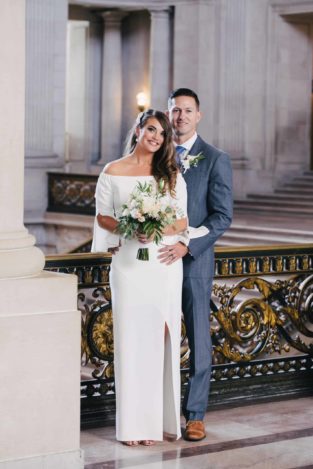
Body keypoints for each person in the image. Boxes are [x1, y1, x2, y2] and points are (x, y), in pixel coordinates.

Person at [91, 109, 188, 446]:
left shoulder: (170, 173)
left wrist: (158, 227)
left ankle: (155, 423)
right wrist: (130, 228)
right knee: (131, 341)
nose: (156, 137)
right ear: (138, 130)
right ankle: (133, 427)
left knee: (160, 340)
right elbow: (103, 217)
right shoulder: (112, 171)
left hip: (162, 265)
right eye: (151, 129)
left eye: (162, 133)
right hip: (128, 265)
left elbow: (182, 221)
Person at [158, 88, 233, 441]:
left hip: (194, 261)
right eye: (175, 110)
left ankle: (196, 415)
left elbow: (222, 216)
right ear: (169, 114)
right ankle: (157, 410)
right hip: (156, 261)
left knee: (199, 338)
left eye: (187, 111)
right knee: (157, 335)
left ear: (198, 116)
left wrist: (189, 246)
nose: (181, 117)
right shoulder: (157, 155)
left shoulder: (215, 158)